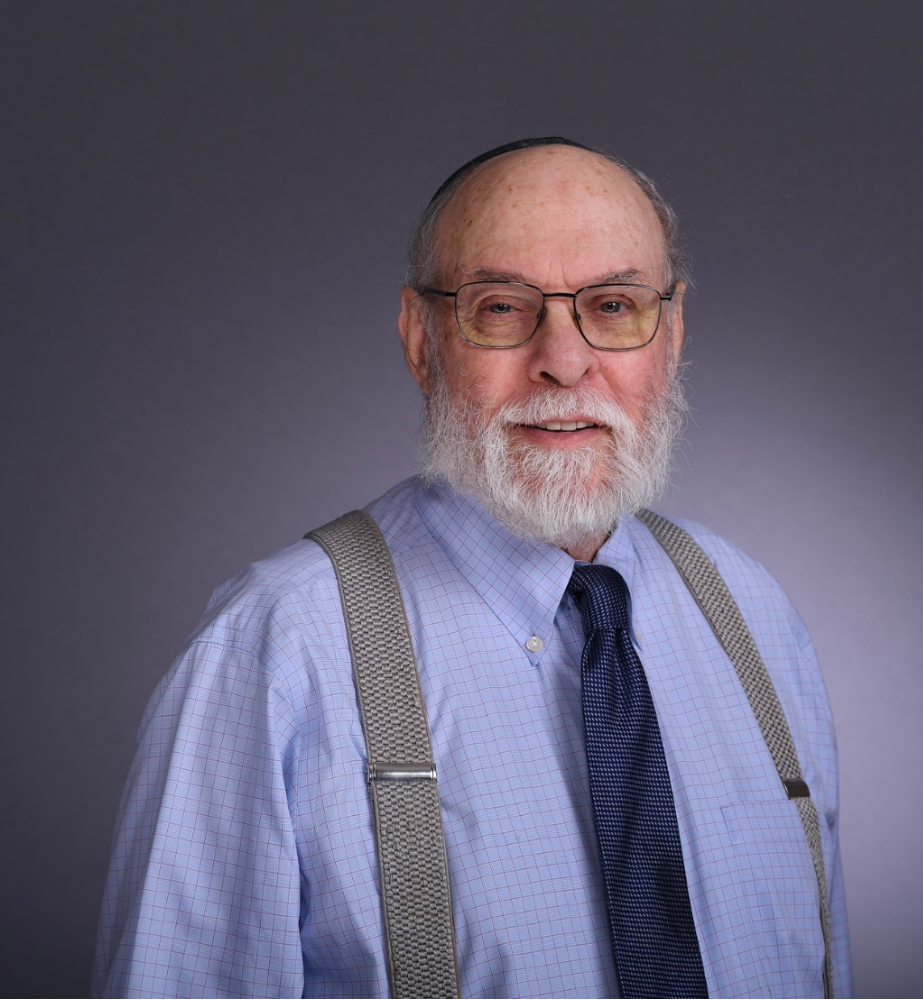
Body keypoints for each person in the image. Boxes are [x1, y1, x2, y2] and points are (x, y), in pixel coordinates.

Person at [93, 138, 852, 999]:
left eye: (612, 306)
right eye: (500, 307)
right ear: (422, 342)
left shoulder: (754, 614)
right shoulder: (277, 652)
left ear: (669, 337)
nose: (564, 361)